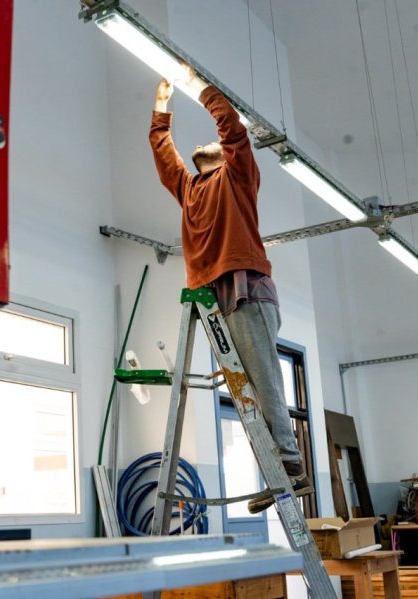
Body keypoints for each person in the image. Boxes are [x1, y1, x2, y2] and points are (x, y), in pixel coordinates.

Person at [149, 70, 312, 513]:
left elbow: (233, 129)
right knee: (243, 394)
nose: (206, 142)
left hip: (245, 289)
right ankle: (274, 470)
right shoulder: (190, 189)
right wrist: (161, 108)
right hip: (209, 299)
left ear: (224, 155)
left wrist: (199, 86)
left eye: (215, 142)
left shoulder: (237, 177)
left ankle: (291, 468)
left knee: (262, 382)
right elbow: (164, 156)